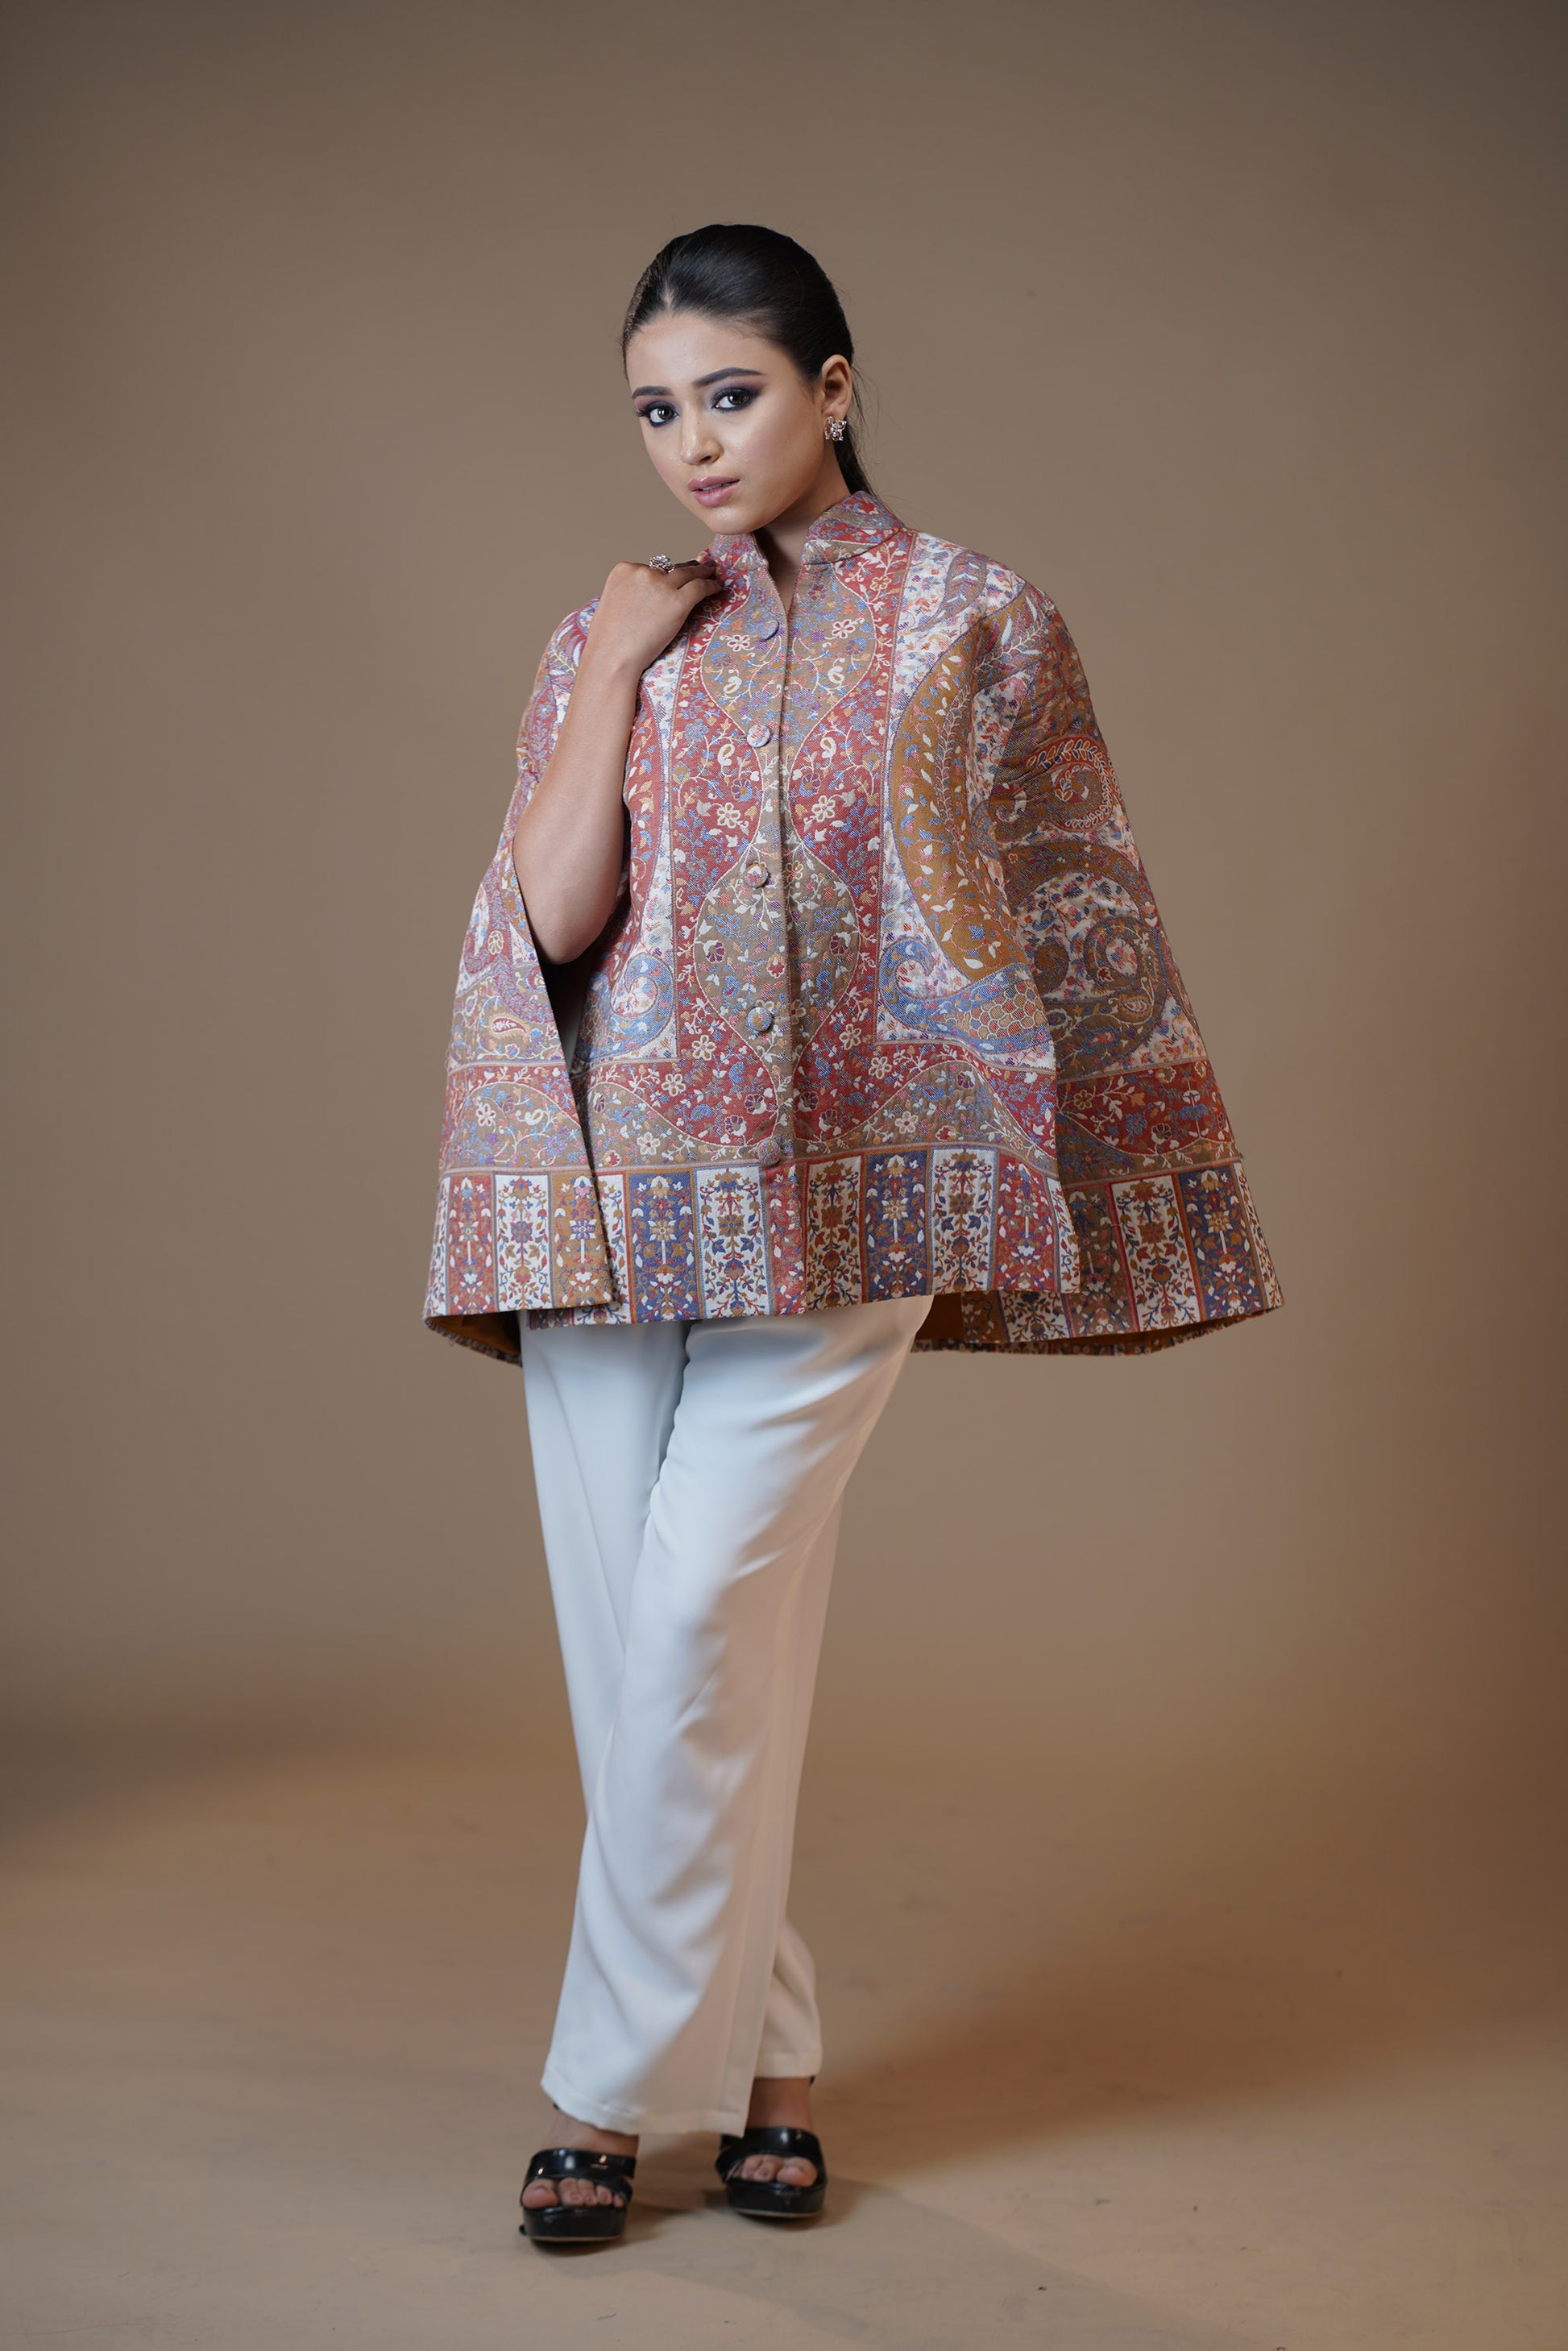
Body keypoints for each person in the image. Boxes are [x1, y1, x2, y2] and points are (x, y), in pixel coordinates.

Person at [423, 223, 1280, 2245]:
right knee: (656, 1663)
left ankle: (597, 2094)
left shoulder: (984, 622)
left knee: (696, 1620)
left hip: (861, 1198)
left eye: (730, 394)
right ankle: (774, 2066)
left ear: (832, 386)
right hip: (612, 1204)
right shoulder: (607, 630)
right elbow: (548, 917)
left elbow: (1071, 894)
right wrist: (615, 666)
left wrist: (1092, 1161)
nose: (695, 444)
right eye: (657, 411)